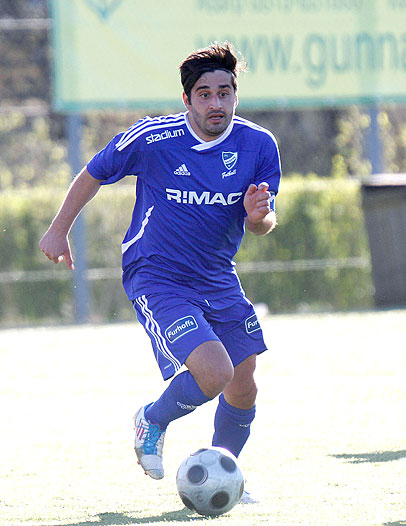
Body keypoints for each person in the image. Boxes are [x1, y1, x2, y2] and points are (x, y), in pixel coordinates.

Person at [39, 42, 280, 499]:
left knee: (243, 386)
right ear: (186, 100)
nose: (216, 103)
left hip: (217, 274)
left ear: (236, 96)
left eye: (225, 92)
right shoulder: (153, 139)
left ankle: (224, 470)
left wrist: (255, 217)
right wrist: (58, 230)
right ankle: (152, 418)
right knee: (214, 374)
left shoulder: (259, 145)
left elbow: (264, 222)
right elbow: (93, 172)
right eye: (204, 94)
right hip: (158, 274)